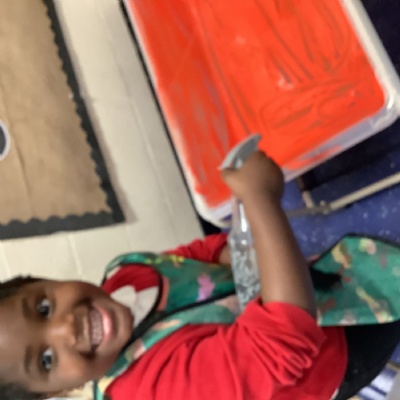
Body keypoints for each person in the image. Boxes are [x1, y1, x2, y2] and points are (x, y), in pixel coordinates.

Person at [0, 151, 398, 400]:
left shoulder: (125, 276)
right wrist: (260, 199)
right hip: (338, 352)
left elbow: (197, 257)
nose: (65, 328)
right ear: (60, 390)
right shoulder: (154, 389)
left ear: (43, 281)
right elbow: (285, 339)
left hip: (320, 287)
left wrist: (253, 256)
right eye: (46, 359)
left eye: (43, 308)